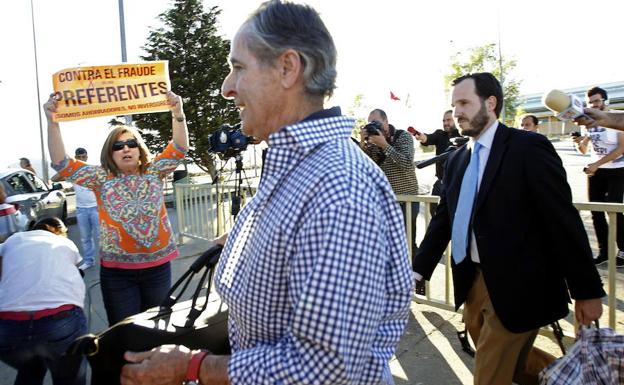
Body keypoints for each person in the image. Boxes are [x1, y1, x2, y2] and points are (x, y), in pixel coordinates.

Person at [120, 1, 413, 384]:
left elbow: (326, 369)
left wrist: (192, 367)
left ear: (288, 68)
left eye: (238, 67)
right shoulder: (300, 166)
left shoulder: (339, 189)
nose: (227, 88)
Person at [413, 72, 605, 385]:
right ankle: (570, 378)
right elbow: (445, 219)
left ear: (490, 103)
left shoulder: (528, 148)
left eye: (464, 102)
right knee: (515, 365)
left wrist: (587, 290)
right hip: (472, 281)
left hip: (521, 284)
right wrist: (417, 270)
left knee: (488, 374)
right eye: (453, 104)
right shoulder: (458, 159)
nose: (456, 111)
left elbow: (562, 220)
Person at [44, 90, 189, 325]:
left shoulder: (155, 170)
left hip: (158, 269)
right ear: (110, 153)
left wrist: (178, 113)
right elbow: (62, 163)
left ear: (139, 149)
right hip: (118, 275)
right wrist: (52, 123)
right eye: (118, 145)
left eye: (131, 143)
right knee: (125, 334)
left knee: (157, 330)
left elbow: (180, 148)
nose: (125, 148)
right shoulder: (100, 177)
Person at [0, 217, 87, 385]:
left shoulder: (14, 239)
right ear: (60, 231)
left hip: (8, 328)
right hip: (59, 324)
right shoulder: (64, 243)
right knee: (69, 375)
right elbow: (79, 272)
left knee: (31, 368)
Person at [572, 86, 624, 267]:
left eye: (597, 101)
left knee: (615, 212)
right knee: (596, 212)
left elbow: (621, 149)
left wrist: (596, 164)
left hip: (617, 170)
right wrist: (579, 143)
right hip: (595, 171)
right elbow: (585, 148)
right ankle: (604, 251)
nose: (594, 104)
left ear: (605, 101)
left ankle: (623, 251)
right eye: (591, 102)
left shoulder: (616, 118)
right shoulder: (589, 120)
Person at [361, 108, 420, 255]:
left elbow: (406, 163)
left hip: (407, 200)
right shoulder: (372, 143)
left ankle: (415, 275)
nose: (374, 126)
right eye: (371, 123)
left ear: (386, 122)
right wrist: (363, 143)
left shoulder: (403, 137)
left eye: (376, 122)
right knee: (387, 245)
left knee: (408, 243)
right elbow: (363, 167)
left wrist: (385, 145)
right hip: (385, 202)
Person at [52, 148, 100, 269]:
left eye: (84, 156)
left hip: (96, 208)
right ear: (76, 157)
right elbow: (54, 178)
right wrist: (69, 167)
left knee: (102, 237)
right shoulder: (73, 174)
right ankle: (89, 261)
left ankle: (108, 262)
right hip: (81, 209)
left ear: (87, 156)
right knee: (85, 238)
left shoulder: (92, 170)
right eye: (79, 157)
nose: (82, 159)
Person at [413, 109, 461, 212]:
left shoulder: (463, 136)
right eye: (444, 120)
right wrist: (422, 137)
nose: (445, 123)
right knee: (434, 212)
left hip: (458, 183)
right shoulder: (440, 134)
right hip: (441, 182)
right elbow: (428, 138)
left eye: (448, 120)